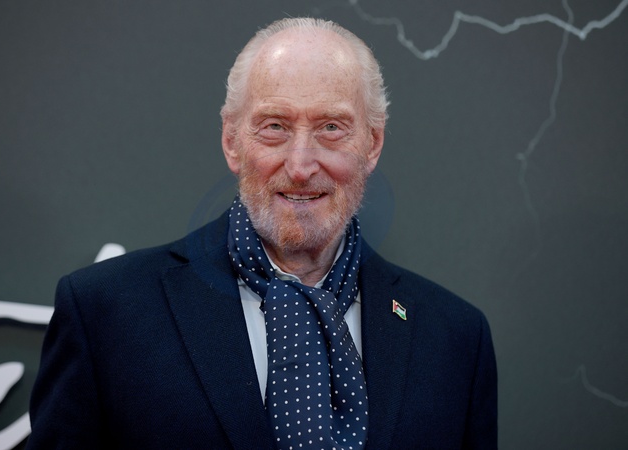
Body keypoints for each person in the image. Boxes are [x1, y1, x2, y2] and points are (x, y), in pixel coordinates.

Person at [27, 17, 497, 449]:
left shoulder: (455, 338)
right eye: (274, 126)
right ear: (232, 141)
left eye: (331, 127)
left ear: (372, 144)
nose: (300, 165)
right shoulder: (104, 314)